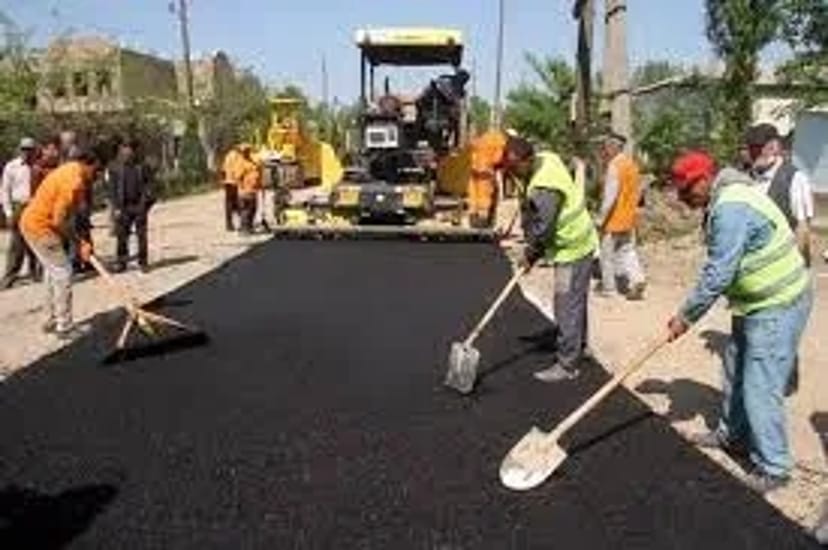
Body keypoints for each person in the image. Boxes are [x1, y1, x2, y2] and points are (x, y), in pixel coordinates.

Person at [667, 151, 811, 493]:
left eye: (687, 190)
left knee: (760, 385)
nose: (684, 198)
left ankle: (774, 467)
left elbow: (718, 274)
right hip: (754, 303)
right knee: (734, 369)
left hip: (778, 303)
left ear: (705, 180)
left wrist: (685, 317)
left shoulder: (731, 207)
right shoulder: (726, 197)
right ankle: (732, 436)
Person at [498, 137, 599, 382]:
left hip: (572, 247)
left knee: (566, 304)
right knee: (575, 300)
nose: (511, 172)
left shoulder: (544, 188)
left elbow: (544, 228)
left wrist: (531, 254)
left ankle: (567, 364)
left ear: (528, 160)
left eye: (514, 167)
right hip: (576, 242)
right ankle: (580, 346)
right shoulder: (547, 158)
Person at [20, 149, 101, 339]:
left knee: (52, 273)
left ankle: (51, 319)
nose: (97, 175)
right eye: (96, 170)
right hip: (41, 228)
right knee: (63, 273)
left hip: (31, 222)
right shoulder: (73, 182)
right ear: (88, 164)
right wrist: (78, 242)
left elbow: (72, 212)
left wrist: (82, 240)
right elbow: (59, 221)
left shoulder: (71, 168)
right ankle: (64, 326)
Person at [745, 123, 815, 266]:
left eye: (759, 147)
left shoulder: (795, 178)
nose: (754, 153)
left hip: (782, 263)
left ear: (775, 147)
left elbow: (802, 228)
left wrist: (793, 265)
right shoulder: (747, 177)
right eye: (751, 148)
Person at [595, 132, 646, 300]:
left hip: (613, 220)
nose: (605, 150)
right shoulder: (631, 165)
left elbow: (610, 196)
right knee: (628, 251)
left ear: (614, 147)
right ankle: (637, 279)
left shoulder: (614, 166)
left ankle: (609, 289)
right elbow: (638, 194)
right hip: (628, 218)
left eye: (607, 146)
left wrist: (600, 219)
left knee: (606, 255)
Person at [106, 139, 154, 272]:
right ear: (120, 150)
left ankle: (143, 262)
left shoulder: (142, 166)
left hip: (139, 205)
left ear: (134, 151)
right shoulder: (114, 167)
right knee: (122, 236)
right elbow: (112, 189)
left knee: (141, 235)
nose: (126, 152)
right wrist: (115, 207)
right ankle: (122, 262)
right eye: (124, 149)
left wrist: (146, 203)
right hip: (123, 207)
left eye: (129, 149)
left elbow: (149, 185)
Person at [1, 138, 40, 288]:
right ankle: (10, 276)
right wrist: (8, 213)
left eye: (30, 149)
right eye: (24, 149)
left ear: (34, 150)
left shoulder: (39, 166)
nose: (27, 152)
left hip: (36, 206)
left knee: (36, 240)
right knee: (16, 243)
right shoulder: (11, 167)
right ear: (19, 149)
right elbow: (5, 190)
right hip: (19, 206)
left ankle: (35, 272)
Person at [467, 128, 507, 229]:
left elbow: (471, 153)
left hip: (474, 173)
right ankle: (483, 223)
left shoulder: (479, 139)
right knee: (485, 199)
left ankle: (473, 221)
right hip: (487, 174)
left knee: (473, 198)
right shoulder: (498, 140)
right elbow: (497, 159)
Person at [236, 144, 262, 234]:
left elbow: (257, 173)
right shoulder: (241, 163)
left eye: (248, 150)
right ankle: (244, 228)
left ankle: (249, 227)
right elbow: (238, 177)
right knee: (245, 210)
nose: (247, 152)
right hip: (245, 191)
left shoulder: (252, 162)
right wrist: (242, 189)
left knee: (253, 209)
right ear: (242, 152)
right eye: (245, 151)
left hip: (253, 190)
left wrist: (259, 184)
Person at [221, 145, 242, 231]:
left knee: (229, 204)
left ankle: (229, 224)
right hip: (235, 182)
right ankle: (243, 223)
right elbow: (239, 169)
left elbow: (223, 169)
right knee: (239, 203)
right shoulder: (238, 156)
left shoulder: (228, 156)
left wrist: (223, 180)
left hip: (228, 182)